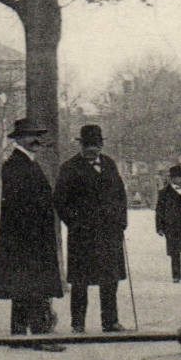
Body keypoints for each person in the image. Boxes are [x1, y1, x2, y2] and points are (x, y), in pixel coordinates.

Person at [0, 118, 66, 352]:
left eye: (39, 136)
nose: (38, 140)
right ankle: (39, 335)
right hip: (28, 238)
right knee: (33, 286)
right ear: (19, 138)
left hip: (26, 237)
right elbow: (22, 204)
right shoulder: (16, 164)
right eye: (33, 136)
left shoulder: (25, 163)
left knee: (23, 286)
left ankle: (20, 334)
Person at [53, 124, 128, 333]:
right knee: (80, 281)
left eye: (95, 145)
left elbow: (121, 195)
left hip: (109, 233)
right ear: (81, 145)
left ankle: (110, 321)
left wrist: (121, 221)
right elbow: (60, 201)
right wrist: (75, 222)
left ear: (101, 145)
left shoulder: (110, 165)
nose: (91, 149)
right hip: (82, 235)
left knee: (110, 279)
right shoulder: (69, 168)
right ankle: (78, 323)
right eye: (87, 145)